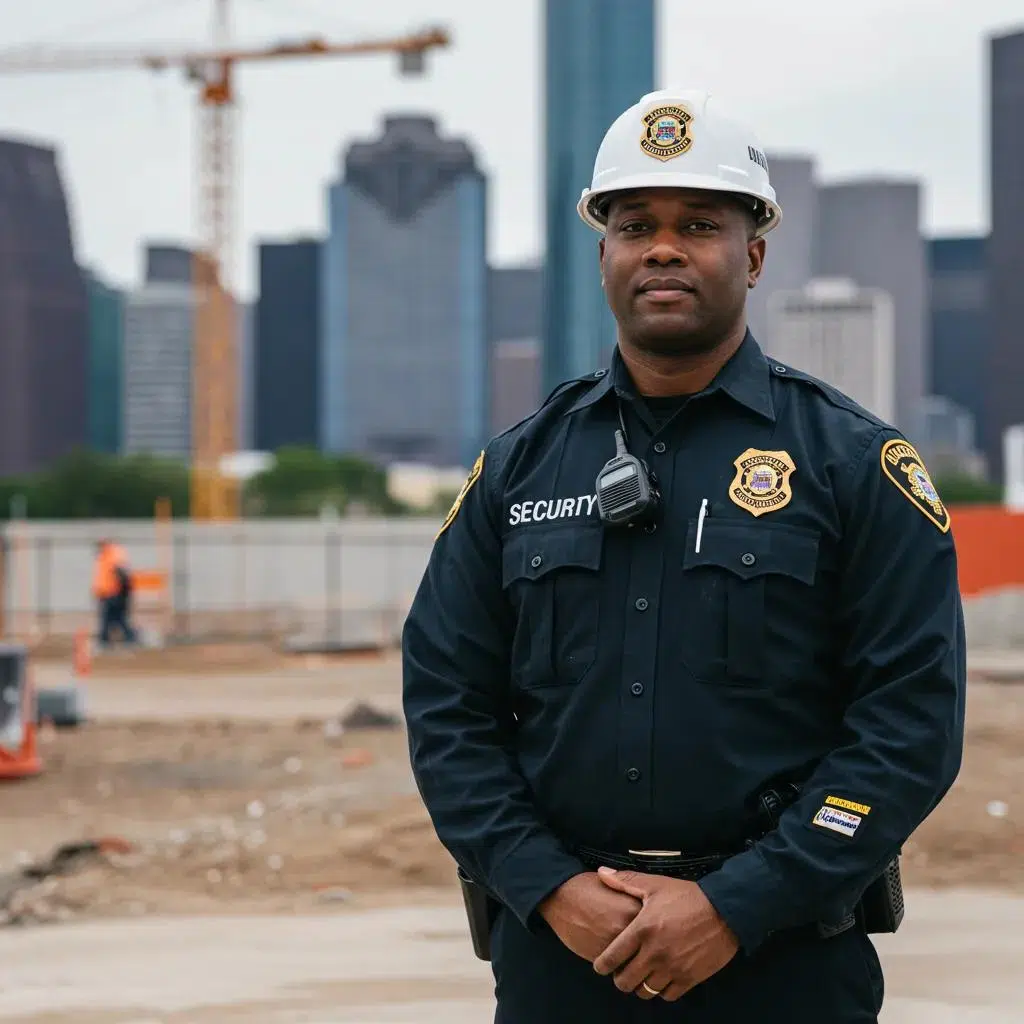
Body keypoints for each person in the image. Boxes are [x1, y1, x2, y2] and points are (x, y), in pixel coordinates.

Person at [401, 87, 966, 1023]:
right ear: (603, 255)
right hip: (566, 961)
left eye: (699, 223)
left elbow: (910, 726)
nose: (663, 247)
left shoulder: (853, 465)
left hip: (785, 963)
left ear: (752, 253)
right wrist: (547, 886)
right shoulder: (518, 468)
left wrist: (737, 905)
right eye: (635, 224)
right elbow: (446, 704)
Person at [92, 539, 138, 648]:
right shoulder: (104, 555)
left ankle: (106, 640)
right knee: (114, 618)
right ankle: (108, 639)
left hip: (113, 593)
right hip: (107, 593)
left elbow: (121, 574)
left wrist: (123, 592)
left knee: (112, 618)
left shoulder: (113, 554)